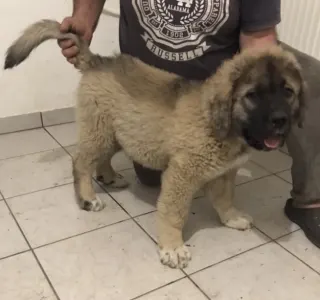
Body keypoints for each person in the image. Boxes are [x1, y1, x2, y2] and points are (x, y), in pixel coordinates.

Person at [58, 0, 320, 248]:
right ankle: (92, 177)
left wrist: (259, 96)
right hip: (143, 91)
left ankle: (307, 201)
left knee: (307, 75)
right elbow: (180, 177)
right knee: (154, 166)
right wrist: (83, 18)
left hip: (212, 86)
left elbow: (259, 42)